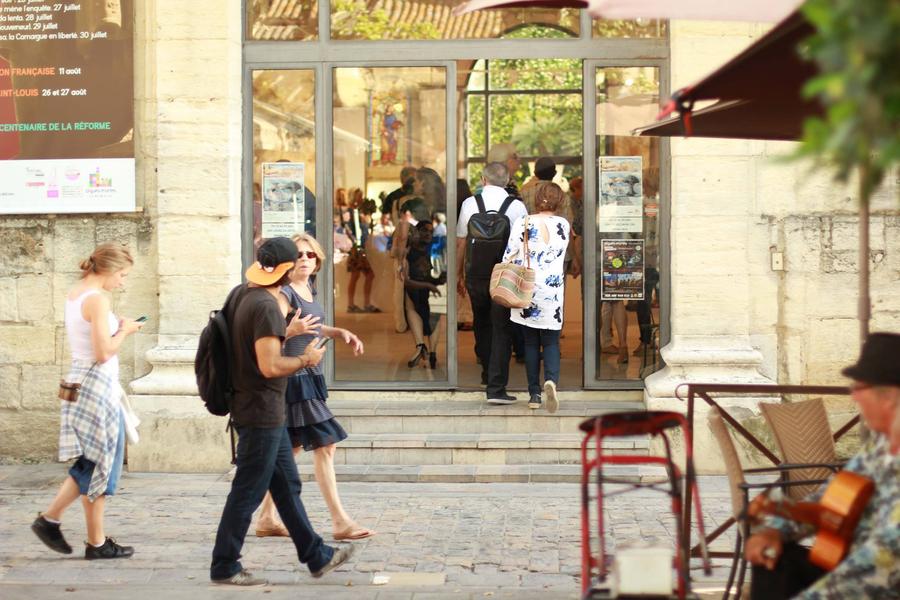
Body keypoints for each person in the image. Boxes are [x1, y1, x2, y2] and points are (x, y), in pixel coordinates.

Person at [210, 237, 354, 586]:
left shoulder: (242, 294)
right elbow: (270, 365)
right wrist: (307, 359)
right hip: (259, 411)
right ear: (287, 270)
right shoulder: (263, 306)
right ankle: (225, 564)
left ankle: (317, 556)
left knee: (288, 485)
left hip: (262, 408)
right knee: (247, 489)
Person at [744, 332, 900, 599]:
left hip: (880, 584)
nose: (854, 397)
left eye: (859, 388)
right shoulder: (879, 447)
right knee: (774, 559)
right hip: (852, 570)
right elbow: (828, 500)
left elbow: (883, 564)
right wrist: (774, 531)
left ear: (889, 396)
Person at [255, 233, 375, 542]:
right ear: (287, 262)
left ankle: (267, 517)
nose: (306, 259)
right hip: (293, 379)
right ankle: (339, 521)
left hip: (308, 375)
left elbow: (311, 324)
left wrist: (337, 331)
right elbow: (270, 331)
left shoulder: (307, 287)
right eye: (299, 255)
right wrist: (288, 329)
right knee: (325, 444)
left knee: (292, 448)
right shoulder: (283, 294)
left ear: (318, 260)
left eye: (310, 255)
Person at [30, 243, 143, 560]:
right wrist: (127, 330)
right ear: (108, 270)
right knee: (100, 465)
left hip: (84, 383)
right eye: (122, 274)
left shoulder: (76, 291)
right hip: (97, 389)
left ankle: (71, 529)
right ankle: (76, 533)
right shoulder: (96, 299)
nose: (122, 281)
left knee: (92, 463)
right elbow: (103, 352)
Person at [456, 162, 528, 403]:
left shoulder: (470, 204)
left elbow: (461, 243)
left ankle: (487, 373)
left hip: (476, 274)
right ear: (507, 181)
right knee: (502, 329)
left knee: (482, 323)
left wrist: (458, 274)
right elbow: (525, 245)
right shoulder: (516, 206)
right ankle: (496, 389)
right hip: (505, 275)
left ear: (483, 179)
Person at [501, 183, 570, 413]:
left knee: (530, 343)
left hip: (527, 289)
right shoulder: (563, 224)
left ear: (536, 198)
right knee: (551, 341)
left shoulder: (523, 222)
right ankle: (551, 381)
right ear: (559, 201)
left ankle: (534, 394)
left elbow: (508, 255)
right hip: (553, 292)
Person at [397, 198, 443, 369]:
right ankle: (433, 352)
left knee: (412, 307)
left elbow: (401, 243)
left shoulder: (408, 229)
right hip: (435, 274)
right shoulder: (438, 230)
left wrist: (401, 263)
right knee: (435, 313)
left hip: (415, 272)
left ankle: (419, 345)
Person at [342, 188, 380, 313]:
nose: (361, 198)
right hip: (357, 248)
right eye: (359, 196)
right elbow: (347, 228)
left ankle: (363, 303)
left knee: (366, 275)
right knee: (357, 275)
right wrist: (354, 242)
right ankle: (352, 304)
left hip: (362, 247)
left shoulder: (359, 212)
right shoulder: (351, 212)